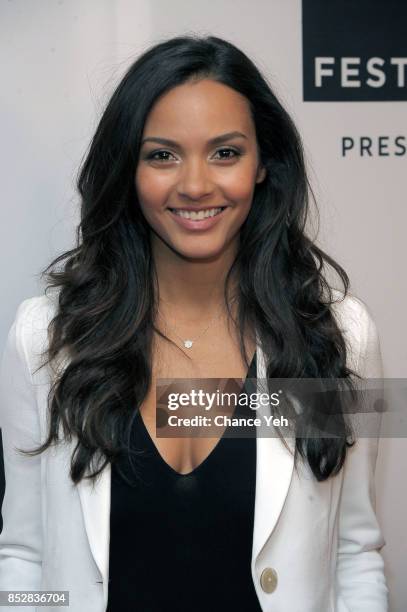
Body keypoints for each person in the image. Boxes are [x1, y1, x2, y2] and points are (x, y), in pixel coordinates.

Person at [0, 34, 388, 611]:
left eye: (226, 152)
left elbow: (353, 555)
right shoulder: (47, 337)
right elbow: (26, 558)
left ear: (263, 165)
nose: (196, 184)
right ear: (127, 170)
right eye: (162, 155)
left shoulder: (337, 337)